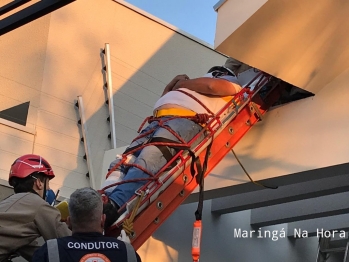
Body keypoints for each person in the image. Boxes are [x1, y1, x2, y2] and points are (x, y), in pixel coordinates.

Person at [102, 57, 257, 228]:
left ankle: (114, 206)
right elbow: (169, 93)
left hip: (183, 121)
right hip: (161, 119)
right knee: (121, 162)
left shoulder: (233, 86)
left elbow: (211, 86)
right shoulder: (193, 87)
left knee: (147, 160)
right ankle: (104, 199)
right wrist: (176, 85)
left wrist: (182, 85)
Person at [32, 187, 142, 262]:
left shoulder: (49, 251)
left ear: (69, 222)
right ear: (103, 220)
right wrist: (124, 249)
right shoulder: (127, 253)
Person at [0, 154, 71, 262]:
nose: (49, 188)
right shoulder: (39, 205)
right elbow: (70, 243)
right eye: (48, 183)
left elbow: (33, 252)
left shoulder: (9, 202)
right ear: (39, 183)